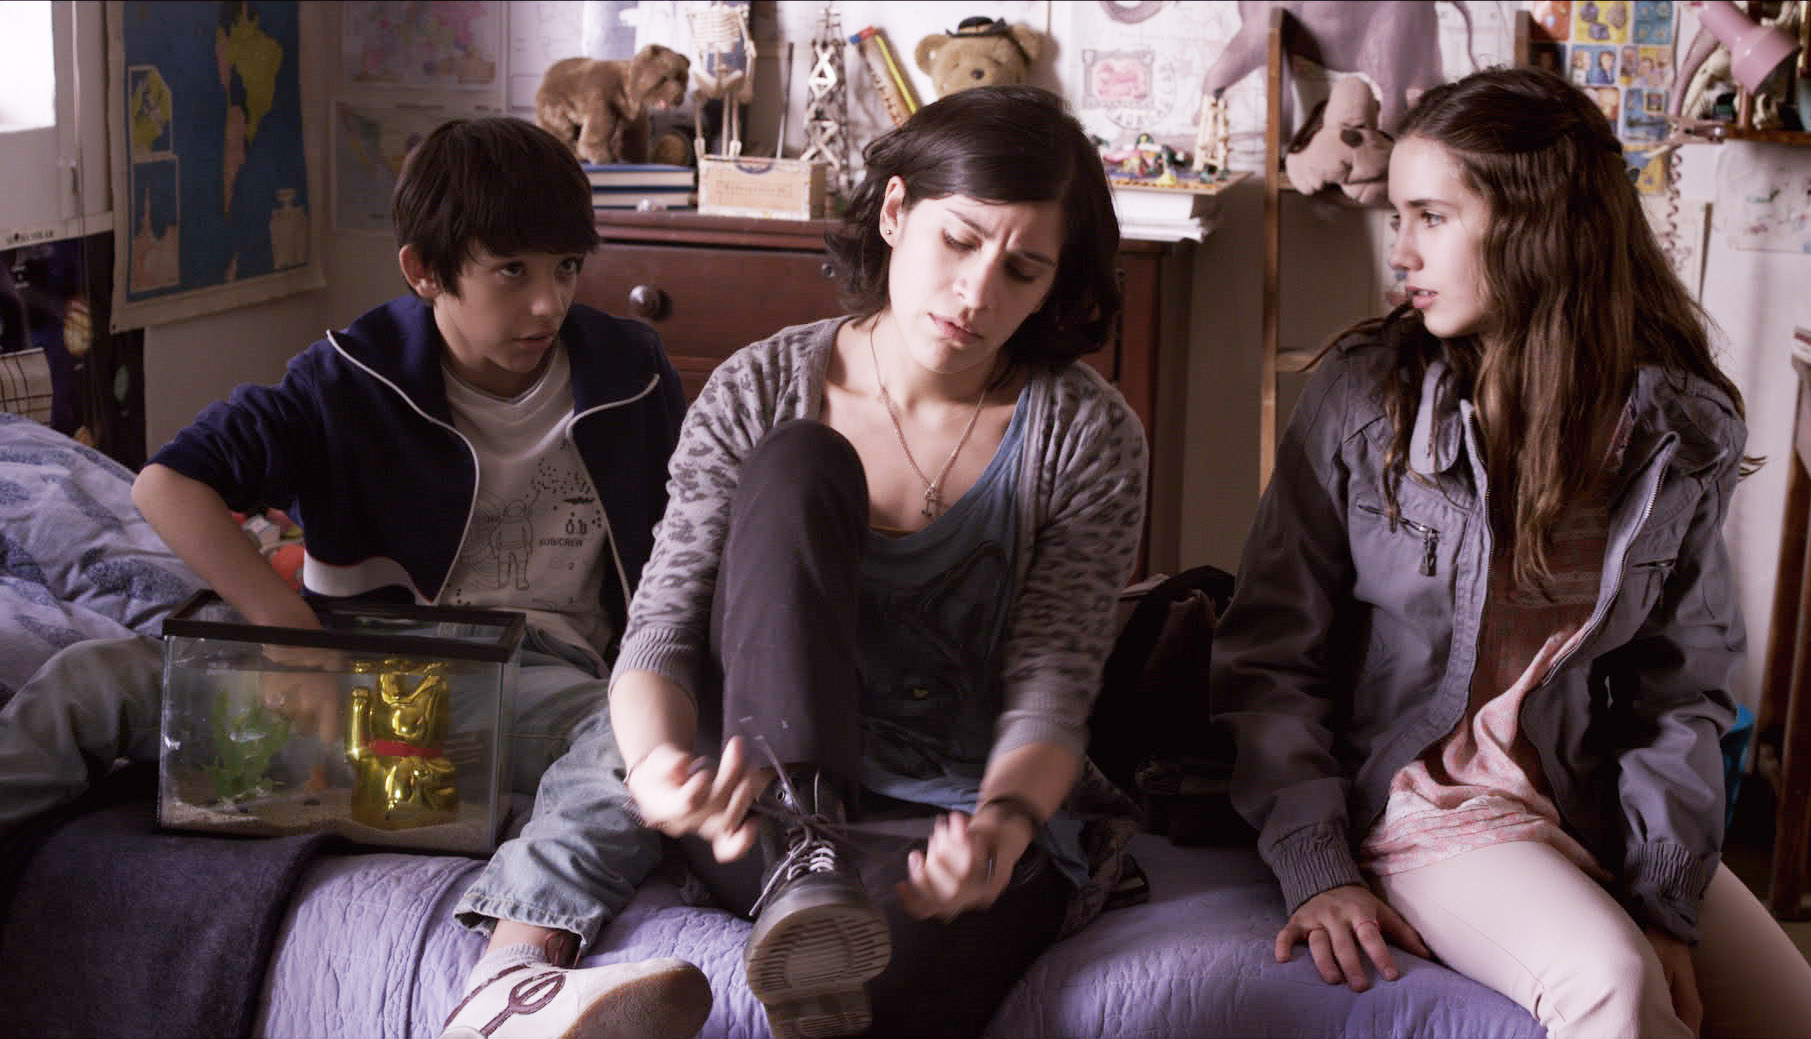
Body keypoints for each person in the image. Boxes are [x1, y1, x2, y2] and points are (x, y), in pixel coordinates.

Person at [1212, 66, 1811, 1039]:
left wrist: (1665, 897)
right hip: (1425, 805)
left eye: (1432, 217)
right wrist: (1317, 864)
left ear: (1537, 227)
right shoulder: (1362, 400)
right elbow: (1268, 659)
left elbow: (1678, 692)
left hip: (1590, 802)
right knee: (1612, 985)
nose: (1401, 252)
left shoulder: (1681, 429)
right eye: (1400, 216)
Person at [124, 117, 710, 1038]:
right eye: (511, 271)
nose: (549, 303)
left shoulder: (628, 370)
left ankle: (510, 977)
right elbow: (167, 483)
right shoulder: (347, 376)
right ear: (426, 271)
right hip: (363, 681)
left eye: (565, 267)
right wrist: (287, 627)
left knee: (641, 741)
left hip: (540, 680)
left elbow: (687, 535)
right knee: (93, 680)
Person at [607, 84, 1146, 1039]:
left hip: (958, 821)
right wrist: (654, 765)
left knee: (878, 972)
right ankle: (806, 853)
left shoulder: (1085, 433)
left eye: (1023, 269)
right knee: (801, 462)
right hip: (767, 814)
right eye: (958, 240)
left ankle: (829, 904)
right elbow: (664, 624)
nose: (977, 294)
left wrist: (1004, 825)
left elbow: (1054, 682)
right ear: (896, 211)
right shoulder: (761, 386)